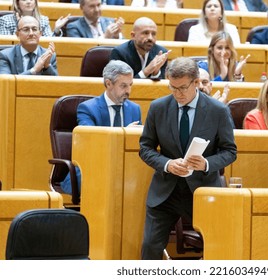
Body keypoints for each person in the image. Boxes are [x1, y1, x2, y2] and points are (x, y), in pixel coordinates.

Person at [139, 57, 237, 259]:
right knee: (150, 246)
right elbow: (145, 148)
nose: (178, 94)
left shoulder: (218, 110)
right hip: (165, 191)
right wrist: (166, 164)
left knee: (219, 244)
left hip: (202, 190)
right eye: (172, 88)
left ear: (196, 83)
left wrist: (207, 164)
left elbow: (230, 151)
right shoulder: (158, 108)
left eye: (183, 88)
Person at [60, 60, 142, 194]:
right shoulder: (87, 108)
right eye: (123, 86)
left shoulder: (134, 109)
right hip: (93, 168)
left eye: (130, 85)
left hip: (124, 172)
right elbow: (92, 142)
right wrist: (123, 133)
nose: (128, 91)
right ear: (108, 83)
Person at [0, 0, 70, 37]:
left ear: (35, 3)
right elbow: (7, 44)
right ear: (17, 3)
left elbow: (50, 43)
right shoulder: (6, 21)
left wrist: (56, 29)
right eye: (24, 0)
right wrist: (20, 26)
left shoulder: (43, 20)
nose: (28, 2)